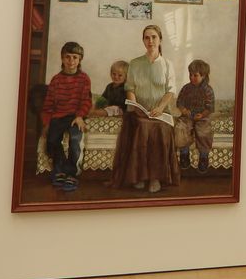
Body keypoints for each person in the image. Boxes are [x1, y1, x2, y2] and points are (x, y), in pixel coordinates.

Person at [109, 25, 180, 193]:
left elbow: (170, 91)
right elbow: (130, 88)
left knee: (159, 129)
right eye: (147, 37)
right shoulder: (135, 63)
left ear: (160, 40)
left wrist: (160, 108)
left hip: (161, 113)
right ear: (143, 40)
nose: (150, 41)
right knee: (141, 125)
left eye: (154, 37)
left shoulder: (167, 64)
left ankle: (155, 178)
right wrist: (136, 107)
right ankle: (139, 176)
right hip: (139, 112)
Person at [41, 41, 92, 191]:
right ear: (62, 58)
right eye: (67, 57)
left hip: (75, 116)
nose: (71, 61)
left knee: (75, 141)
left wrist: (80, 116)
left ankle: (72, 174)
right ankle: (60, 170)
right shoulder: (56, 80)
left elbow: (86, 101)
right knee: (52, 140)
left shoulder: (84, 78)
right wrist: (47, 123)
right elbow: (48, 105)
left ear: (80, 59)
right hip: (58, 116)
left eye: (75, 57)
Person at [175, 59, 215, 173]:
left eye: (195, 75)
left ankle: (203, 157)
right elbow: (179, 102)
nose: (192, 77)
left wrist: (202, 114)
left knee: (204, 131)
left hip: (202, 117)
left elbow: (210, 107)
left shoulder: (208, 90)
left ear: (203, 76)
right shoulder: (186, 88)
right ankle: (184, 154)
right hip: (187, 116)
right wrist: (184, 110)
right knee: (180, 128)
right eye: (190, 75)